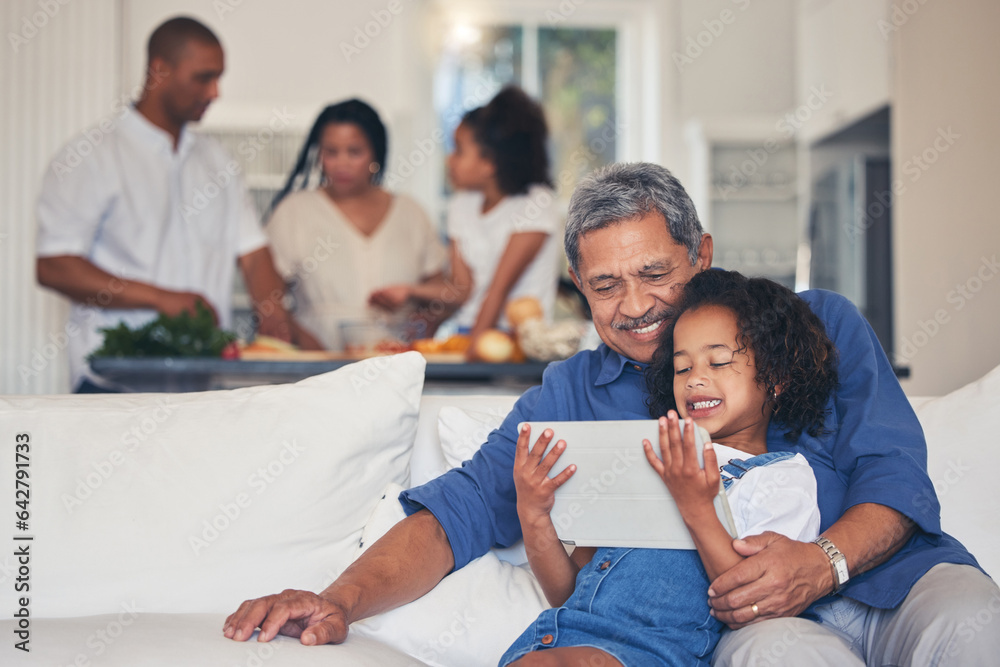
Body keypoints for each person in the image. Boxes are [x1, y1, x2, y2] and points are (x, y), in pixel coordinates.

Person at [223, 162, 999, 665]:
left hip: (891, 578)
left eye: (656, 273)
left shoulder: (817, 322)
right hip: (757, 624)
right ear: (576, 286)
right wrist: (336, 599)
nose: (635, 308)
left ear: (703, 253)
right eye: (604, 286)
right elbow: (458, 511)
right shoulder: (571, 394)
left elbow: (894, 474)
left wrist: (822, 561)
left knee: (973, 623)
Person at [503, 269, 833, 665]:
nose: (695, 380)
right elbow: (572, 591)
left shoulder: (780, 478)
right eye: (682, 368)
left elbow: (751, 598)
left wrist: (696, 506)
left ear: (776, 378)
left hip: (654, 653)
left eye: (719, 361)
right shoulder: (641, 458)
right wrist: (534, 515)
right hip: (556, 638)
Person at [35, 16, 318, 392]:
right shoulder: (91, 157)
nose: (215, 92)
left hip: (202, 385)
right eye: (204, 77)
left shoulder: (217, 161)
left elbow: (253, 254)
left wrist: (272, 311)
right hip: (112, 384)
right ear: (159, 70)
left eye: (219, 77)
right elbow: (55, 266)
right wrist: (162, 299)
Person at [369, 86, 561, 354]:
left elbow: (498, 290)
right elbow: (461, 289)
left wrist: (471, 356)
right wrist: (410, 291)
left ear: (489, 163)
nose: (450, 160)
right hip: (467, 331)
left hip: (514, 342)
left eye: (458, 150)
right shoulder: (462, 204)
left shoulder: (536, 203)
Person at [267, 99, 448, 349]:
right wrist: (313, 350)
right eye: (331, 152)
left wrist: (423, 325)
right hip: (316, 368)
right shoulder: (293, 211)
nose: (342, 164)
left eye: (355, 152)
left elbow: (443, 292)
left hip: (396, 364)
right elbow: (269, 300)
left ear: (376, 153)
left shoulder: (411, 213)